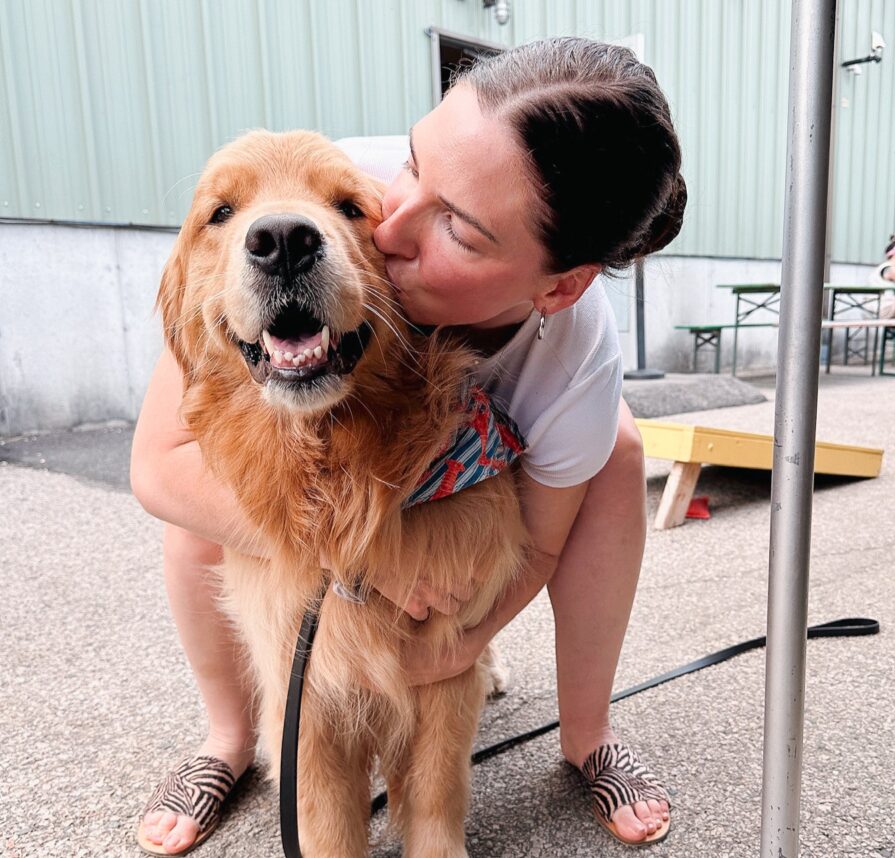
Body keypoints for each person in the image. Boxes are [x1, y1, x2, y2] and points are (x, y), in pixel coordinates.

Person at [132, 37, 686, 854]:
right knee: (208, 487)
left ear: (557, 284)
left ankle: (589, 735)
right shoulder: (337, 184)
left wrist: (455, 644)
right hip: (327, 461)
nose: (388, 229)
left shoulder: (574, 354)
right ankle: (229, 736)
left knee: (618, 451)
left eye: (457, 227)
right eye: (416, 165)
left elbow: (533, 549)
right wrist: (368, 557)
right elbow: (156, 463)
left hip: (464, 453)